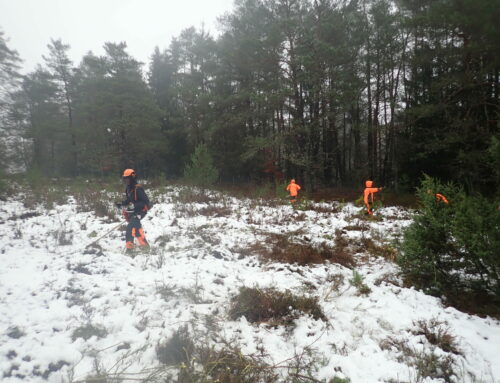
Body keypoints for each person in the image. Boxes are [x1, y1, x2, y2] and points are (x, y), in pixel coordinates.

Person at [116, 169, 150, 253]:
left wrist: (136, 207)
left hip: (141, 211)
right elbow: (129, 199)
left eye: (127, 178)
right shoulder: (128, 188)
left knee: (130, 229)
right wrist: (122, 204)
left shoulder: (138, 189)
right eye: (125, 178)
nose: (126, 180)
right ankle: (145, 247)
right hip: (134, 211)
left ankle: (130, 250)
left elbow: (146, 201)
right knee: (136, 228)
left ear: (132, 178)